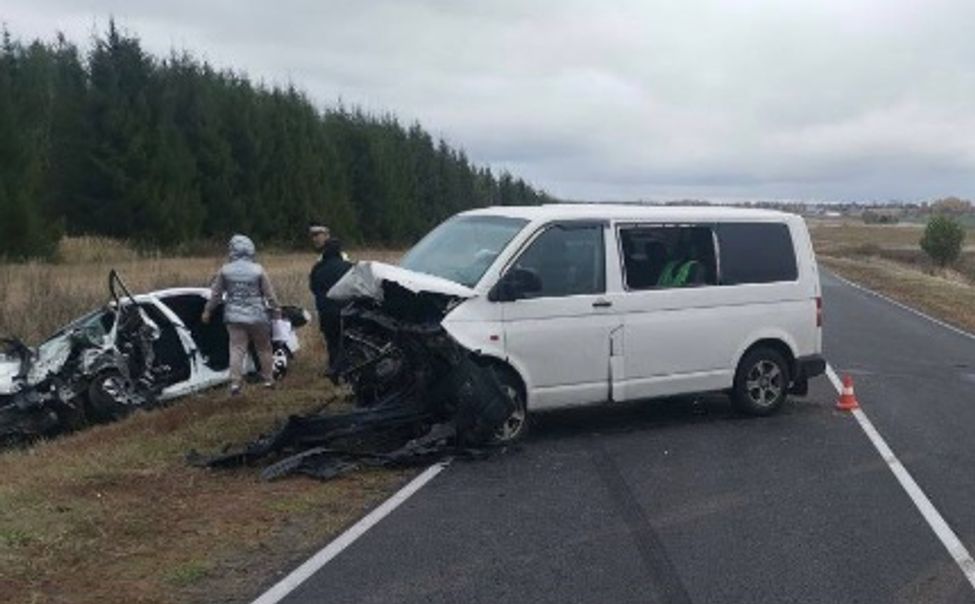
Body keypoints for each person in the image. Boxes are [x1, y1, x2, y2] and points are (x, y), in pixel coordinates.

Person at [202, 234, 280, 396]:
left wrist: (208, 311)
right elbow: (270, 295)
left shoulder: (225, 270)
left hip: (233, 316)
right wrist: (276, 311)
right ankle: (268, 379)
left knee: (237, 349)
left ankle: (235, 384)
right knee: (264, 348)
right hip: (258, 315)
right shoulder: (258, 269)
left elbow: (216, 295)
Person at [309, 224, 353, 376]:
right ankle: (346, 369)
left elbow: (313, 288)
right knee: (345, 340)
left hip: (326, 310)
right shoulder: (349, 267)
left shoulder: (318, 268)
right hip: (346, 309)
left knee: (332, 341)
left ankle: (333, 367)